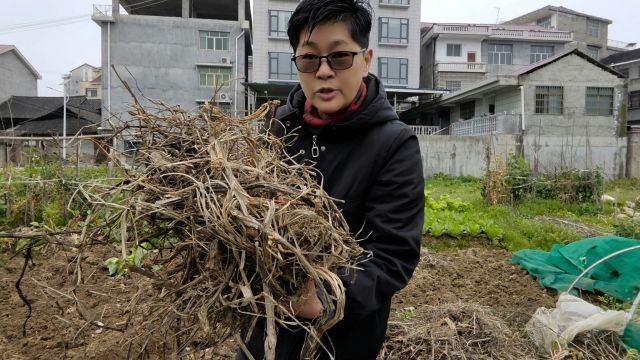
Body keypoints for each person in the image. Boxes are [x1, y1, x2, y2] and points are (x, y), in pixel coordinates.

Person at [237, 0, 424, 358]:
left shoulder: (393, 143)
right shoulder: (277, 127)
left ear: (366, 59)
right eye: (309, 58)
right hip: (263, 329)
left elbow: (392, 255)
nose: (323, 72)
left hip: (339, 339)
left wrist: (322, 296)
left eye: (339, 57)